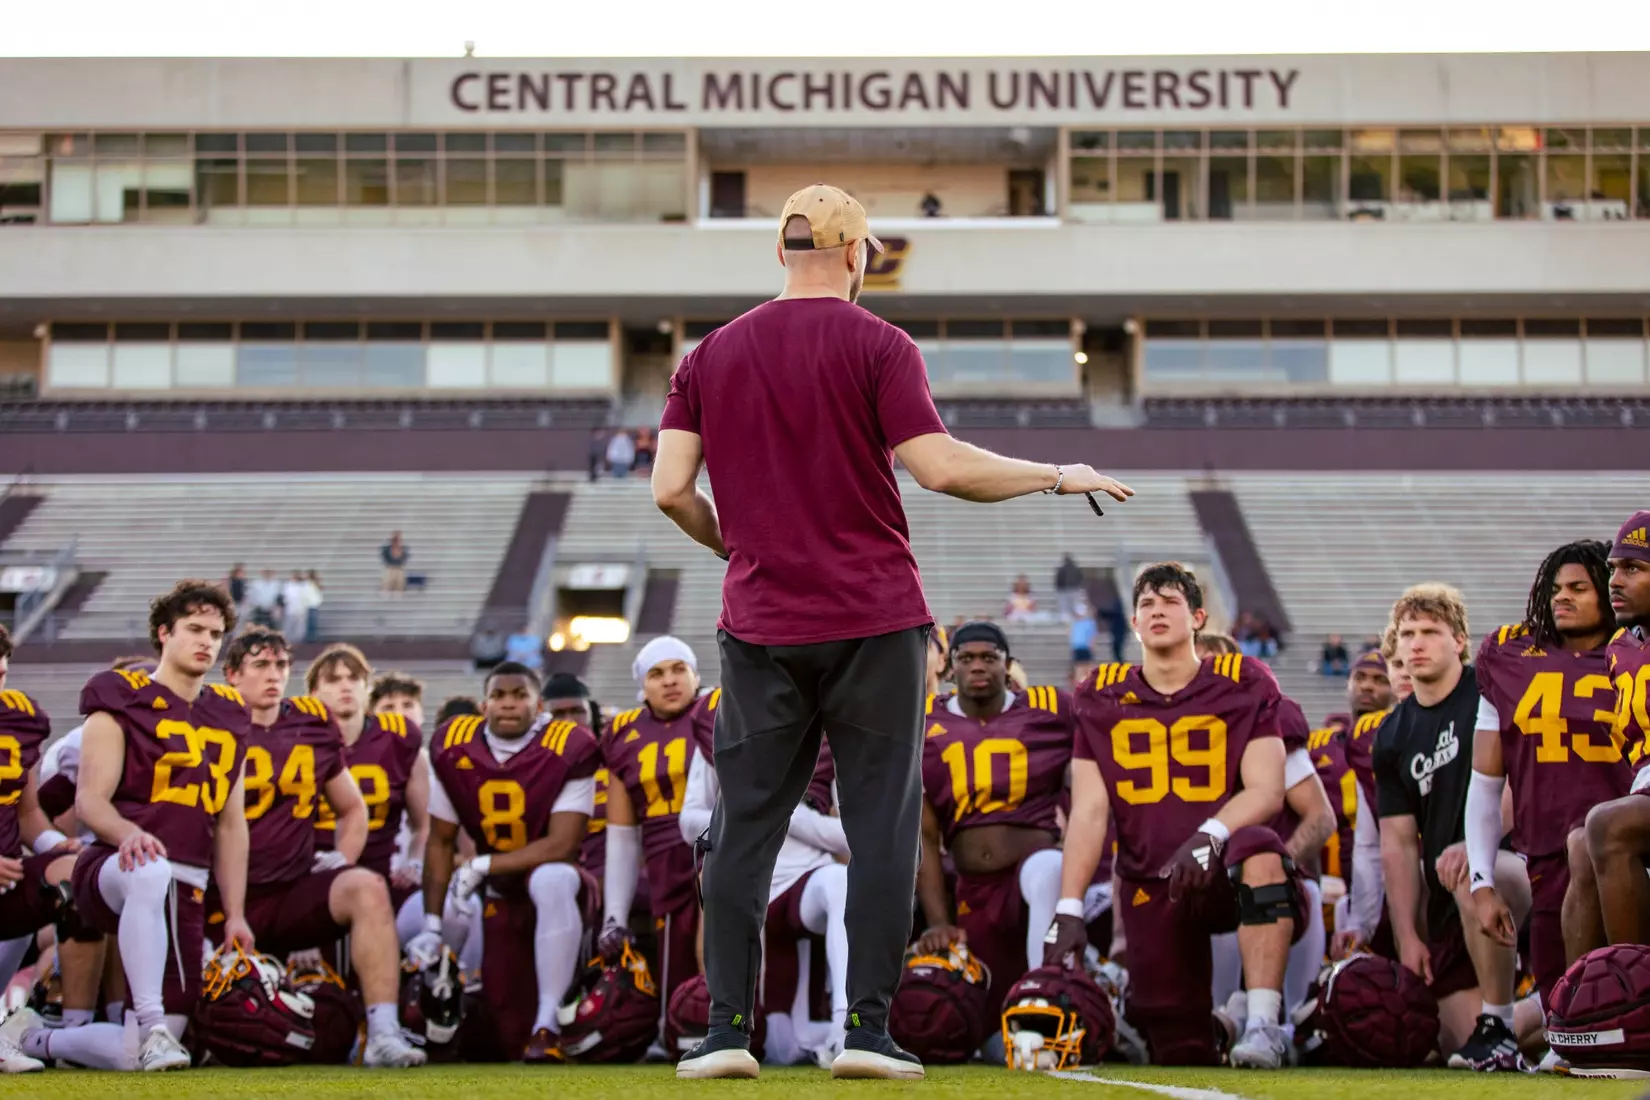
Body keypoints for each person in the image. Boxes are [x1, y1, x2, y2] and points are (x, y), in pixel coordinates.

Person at [650, 182, 1131, 1081]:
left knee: (743, 829)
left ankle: (725, 1034)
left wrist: (738, 548)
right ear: (857, 253)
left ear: (781, 251)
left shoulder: (708, 355)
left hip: (760, 623)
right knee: (881, 829)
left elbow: (671, 489)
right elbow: (939, 468)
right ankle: (867, 1032)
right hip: (873, 619)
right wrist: (1057, 474)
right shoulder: (880, 342)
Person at [1045, 563, 1299, 1069]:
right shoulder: (1100, 694)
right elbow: (1090, 812)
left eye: (1170, 602)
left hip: (1226, 871)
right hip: (1152, 879)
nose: (1157, 611)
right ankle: (1225, 1024)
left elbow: (1268, 791)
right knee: (1180, 1051)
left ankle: (1264, 1022)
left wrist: (1211, 834)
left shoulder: (1243, 680)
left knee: (1259, 849)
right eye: (1147, 604)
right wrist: (1069, 906)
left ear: (1198, 618)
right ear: (1134, 623)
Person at [20, 582, 250, 1071]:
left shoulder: (229, 714)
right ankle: (153, 1023)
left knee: (134, 1053)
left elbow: (232, 824)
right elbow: (90, 801)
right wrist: (129, 833)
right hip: (115, 865)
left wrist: (235, 914)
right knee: (150, 870)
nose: (206, 641)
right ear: (164, 633)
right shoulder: (122, 697)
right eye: (194, 629)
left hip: (189, 883)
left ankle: (34, 1039)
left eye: (215, 634)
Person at [217, 627, 425, 1067]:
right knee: (201, 1023)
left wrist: (342, 860)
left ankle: (383, 1033)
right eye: (260, 665)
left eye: (280, 665)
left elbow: (353, 809)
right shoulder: (211, 723)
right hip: (217, 898)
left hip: (290, 890)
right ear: (232, 674)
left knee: (366, 887)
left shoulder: (308, 723)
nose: (274, 675)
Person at [1465, 540, 1629, 1032]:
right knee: (1564, 1000)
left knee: (1626, 981)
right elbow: (1485, 782)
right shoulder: (1511, 654)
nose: (1562, 597)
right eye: (1556, 588)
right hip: (1546, 851)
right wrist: (1481, 882)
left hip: (1626, 850)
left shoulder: (1636, 651)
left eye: (1578, 587)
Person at [1373, 583, 1530, 1067]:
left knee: (1473, 872)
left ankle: (1508, 1021)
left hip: (1514, 868)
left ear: (1459, 640)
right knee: (1457, 1044)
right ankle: (1542, 1016)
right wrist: (1407, 936)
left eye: (1430, 632)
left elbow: (1519, 782)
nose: (1415, 644)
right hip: (1449, 899)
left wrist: (1476, 844)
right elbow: (1398, 844)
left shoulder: (1489, 693)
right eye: (1407, 634)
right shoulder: (1392, 732)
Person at [414, 662, 599, 1062]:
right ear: (484, 705)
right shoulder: (453, 745)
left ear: (539, 706)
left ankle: (547, 1026)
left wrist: (481, 866)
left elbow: (563, 845)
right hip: (502, 894)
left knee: (549, 879)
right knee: (505, 1032)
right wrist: (432, 924)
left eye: (520, 695)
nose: (509, 704)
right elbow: (440, 840)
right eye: (499, 695)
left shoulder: (569, 745)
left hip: (562, 885)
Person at [911, 623, 1071, 1019]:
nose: (978, 666)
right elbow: (924, 834)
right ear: (951, 667)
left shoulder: (1050, 710)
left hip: (1032, 873)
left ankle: (1045, 994)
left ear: (1008, 664)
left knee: (1049, 869)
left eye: (989, 657)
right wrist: (938, 921)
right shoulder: (925, 722)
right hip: (974, 888)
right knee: (986, 1016)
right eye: (967, 658)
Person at [681, 716, 849, 1066]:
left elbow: (852, 836)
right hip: (746, 876)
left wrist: (781, 812)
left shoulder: (830, 727)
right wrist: (756, 814)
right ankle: (729, 1026)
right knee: (781, 1050)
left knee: (839, 881)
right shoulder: (721, 720)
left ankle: (845, 1024)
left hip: (805, 877)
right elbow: (689, 821)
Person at [599, 637, 712, 1025]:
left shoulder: (719, 711)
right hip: (663, 853)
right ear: (642, 686)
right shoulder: (622, 732)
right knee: (673, 953)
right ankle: (675, 1028)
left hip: (717, 845)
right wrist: (614, 914)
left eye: (679, 669)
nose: (669, 680)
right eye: (657, 673)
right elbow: (621, 833)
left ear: (696, 676)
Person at [0, 626, 79, 1073]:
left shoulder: (19, 719)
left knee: (79, 873)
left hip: (8, 878)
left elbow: (28, 812)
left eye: (1, 674)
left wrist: (54, 844)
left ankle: (73, 1019)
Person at [309, 645, 430, 918]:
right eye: (334, 680)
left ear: (366, 689)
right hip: (313, 874)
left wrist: (415, 863)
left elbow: (423, 825)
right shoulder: (299, 741)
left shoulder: (399, 738)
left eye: (353, 678)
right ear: (314, 693)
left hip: (385, 875)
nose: (345, 686)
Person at [1585, 512, 1650, 945]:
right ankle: (1586, 984)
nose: (1615, 581)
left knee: (1607, 826)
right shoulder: (1619, 647)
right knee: (1579, 846)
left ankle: (1634, 977)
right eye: (1613, 569)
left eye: (1632, 568)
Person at [1054, 554, 1084, 623]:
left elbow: (1058, 579)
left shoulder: (1061, 569)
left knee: (1064, 605)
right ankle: (1076, 617)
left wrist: (1058, 588)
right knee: (1075, 604)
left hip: (1063, 589)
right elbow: (1081, 577)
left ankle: (1064, 618)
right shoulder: (1076, 569)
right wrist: (1078, 585)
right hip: (1074, 588)